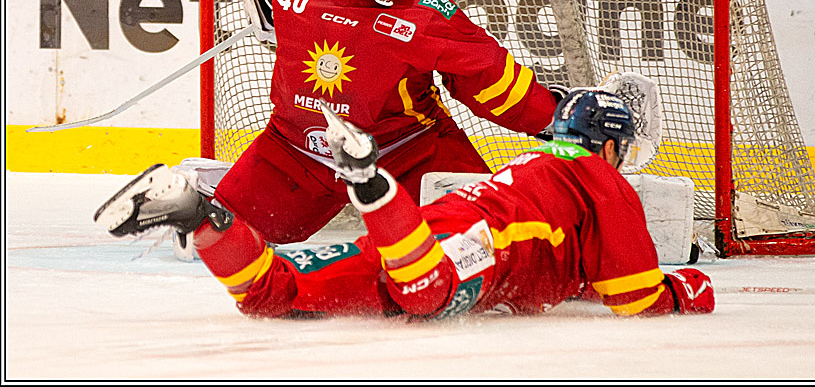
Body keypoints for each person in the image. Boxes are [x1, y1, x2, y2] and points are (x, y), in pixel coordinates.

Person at [95, 90, 715, 320]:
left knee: (270, 294)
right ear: (608, 146)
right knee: (426, 293)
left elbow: (566, 264)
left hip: (426, 231)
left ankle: (202, 214)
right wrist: (687, 288)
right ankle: (368, 182)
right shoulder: (604, 180)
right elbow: (634, 295)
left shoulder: (534, 165)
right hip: (464, 250)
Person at [208, 0, 561, 245]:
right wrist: (270, 24)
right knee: (221, 236)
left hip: (406, 148)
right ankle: (205, 181)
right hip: (297, 147)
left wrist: (550, 116)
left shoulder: (423, 8)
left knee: (485, 239)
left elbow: (486, 71)